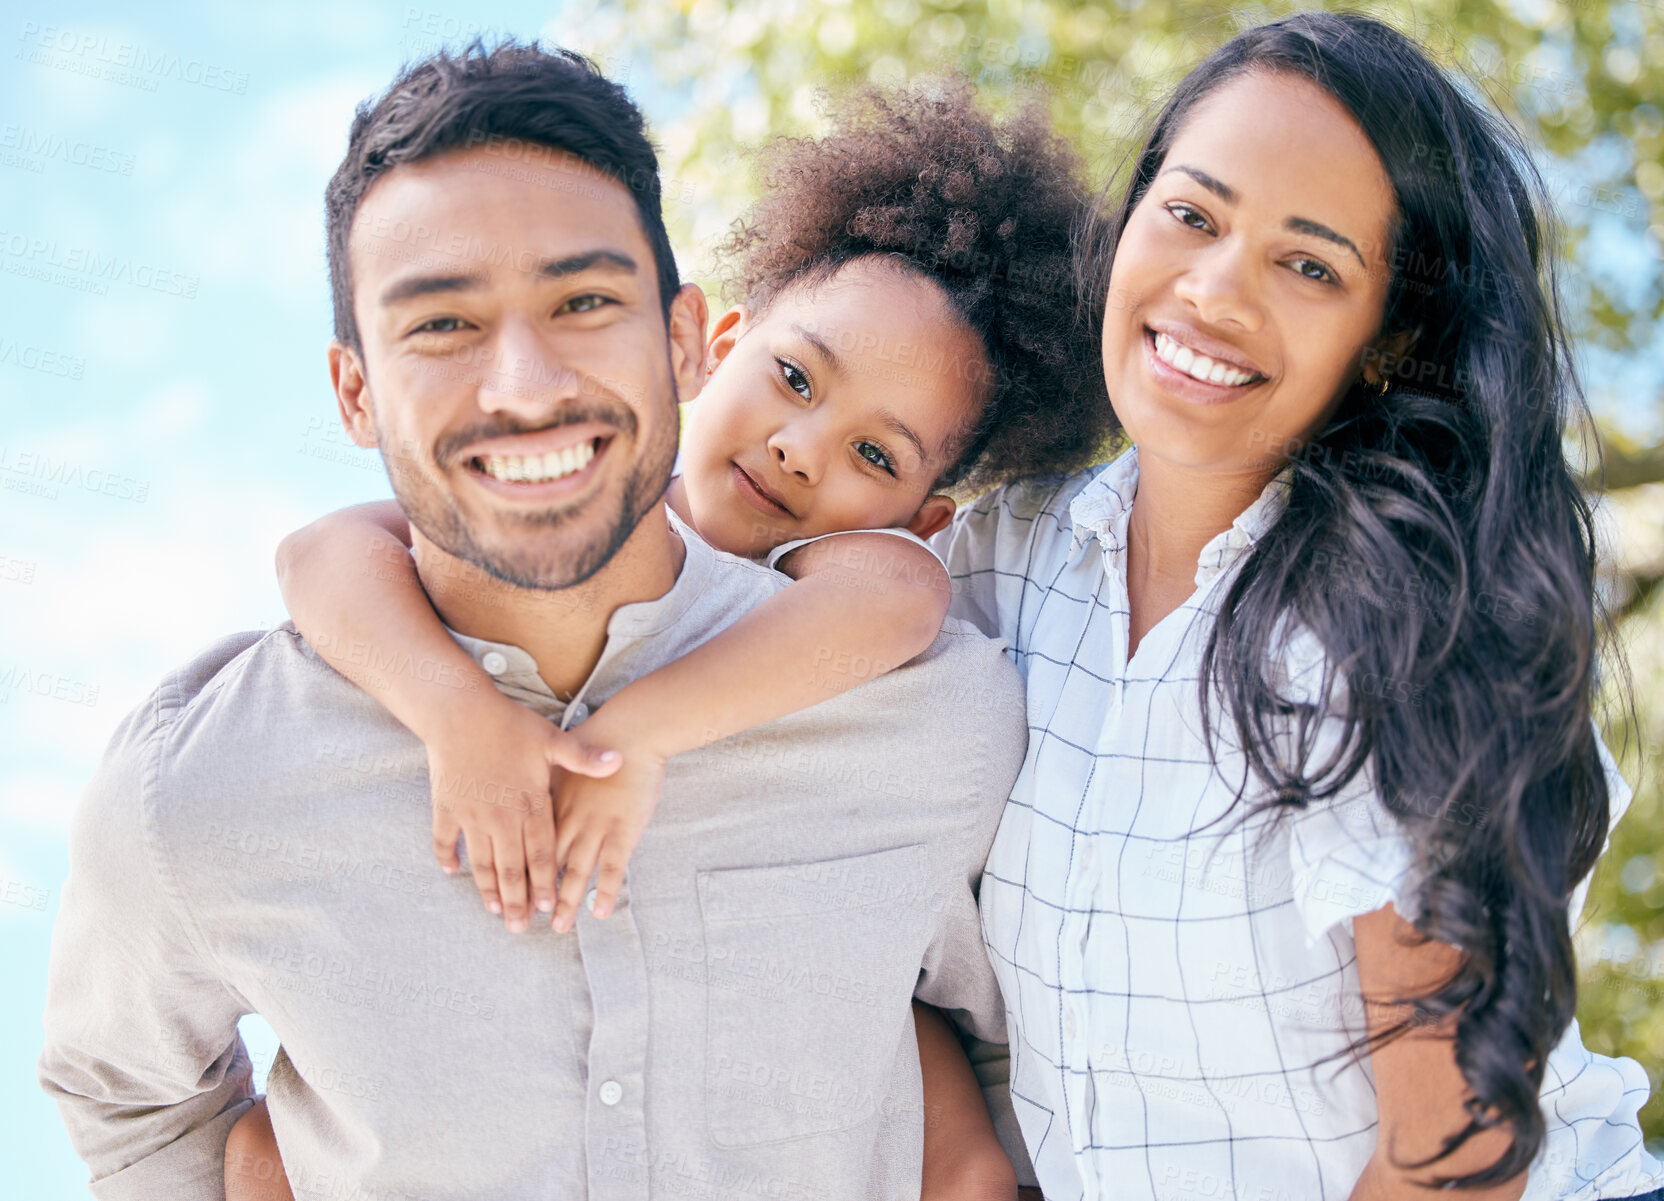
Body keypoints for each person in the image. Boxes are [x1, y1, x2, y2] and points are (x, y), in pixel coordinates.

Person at [37, 43, 1039, 1201]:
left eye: (581, 302)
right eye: (442, 324)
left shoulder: (923, 704)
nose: (521, 384)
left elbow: (1020, 1045)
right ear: (353, 390)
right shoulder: (206, 781)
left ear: (675, 334)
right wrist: (451, 708)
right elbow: (128, 1105)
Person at [923, 12, 1664, 1201]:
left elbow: (1454, 1160)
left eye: (1309, 264)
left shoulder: (1404, 628)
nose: (1213, 290)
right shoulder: (994, 557)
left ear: (1390, 338)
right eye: (1191, 215)